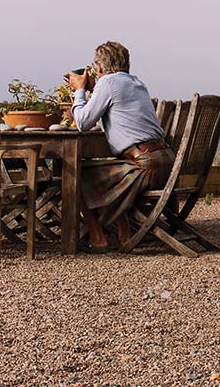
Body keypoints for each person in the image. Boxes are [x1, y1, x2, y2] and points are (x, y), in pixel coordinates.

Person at [67, 41, 173, 252]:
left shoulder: (108, 84)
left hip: (144, 167)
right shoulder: (136, 83)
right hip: (166, 163)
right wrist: (94, 91)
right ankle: (124, 234)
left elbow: (82, 122)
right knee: (110, 170)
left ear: (98, 68)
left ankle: (98, 238)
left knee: (74, 175)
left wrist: (79, 91)